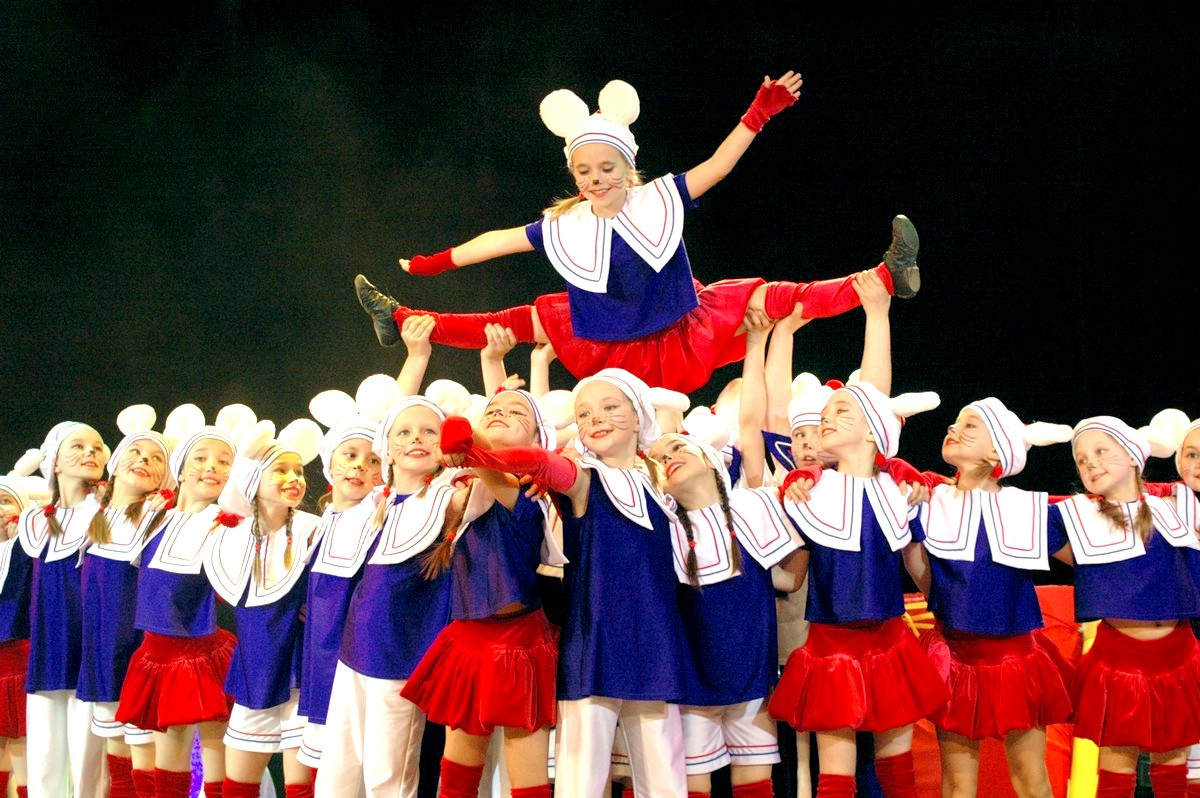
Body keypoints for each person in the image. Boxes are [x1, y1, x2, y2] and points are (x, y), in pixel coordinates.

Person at [355, 73, 921, 393]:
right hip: (607, 342)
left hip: (681, 327)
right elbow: (496, 241)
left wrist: (759, 113)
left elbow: (718, 166)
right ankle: (400, 319)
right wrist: (434, 263)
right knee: (509, 323)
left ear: (628, 168)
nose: (595, 180)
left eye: (606, 169)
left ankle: (884, 276)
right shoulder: (567, 225)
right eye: (584, 172)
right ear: (574, 175)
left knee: (772, 297)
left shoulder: (659, 200)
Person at [439, 368, 692, 797]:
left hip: (653, 641)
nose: (597, 418)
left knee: (664, 773)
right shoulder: (583, 477)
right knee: (580, 778)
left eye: (610, 407)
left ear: (639, 416)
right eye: (585, 413)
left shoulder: (661, 490)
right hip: (592, 643)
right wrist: (478, 452)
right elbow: (544, 463)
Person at [769, 383, 948, 798]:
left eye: (841, 411)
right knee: (835, 779)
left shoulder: (900, 492)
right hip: (831, 648)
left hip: (891, 645)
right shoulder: (809, 492)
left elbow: (917, 563)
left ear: (873, 431)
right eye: (824, 414)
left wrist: (948, 612)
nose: (826, 419)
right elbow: (792, 572)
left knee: (898, 772)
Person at [404, 388, 560, 798]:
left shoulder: (526, 492)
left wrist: (467, 438)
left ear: (537, 438)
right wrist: (461, 449)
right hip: (469, 639)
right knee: (456, 773)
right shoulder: (461, 492)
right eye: (493, 409)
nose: (501, 413)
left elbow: (486, 457)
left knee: (528, 780)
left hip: (520, 642)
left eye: (517, 412)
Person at [915, 399, 1074, 798]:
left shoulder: (1024, 508)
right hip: (955, 659)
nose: (953, 428)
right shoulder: (929, 501)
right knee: (958, 785)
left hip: (1015, 662)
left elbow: (1083, 558)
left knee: (1031, 779)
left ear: (995, 453)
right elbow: (924, 575)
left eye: (969, 425)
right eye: (955, 423)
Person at [317, 397, 471, 798]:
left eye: (428, 431)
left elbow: (486, 482)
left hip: (401, 657)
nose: (416, 438)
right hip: (354, 652)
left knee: (387, 775)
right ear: (386, 446)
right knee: (337, 768)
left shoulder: (450, 496)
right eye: (404, 431)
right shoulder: (374, 502)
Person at [1047, 417, 1200, 798]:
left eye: (1101, 451)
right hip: (1119, 664)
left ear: (1134, 457)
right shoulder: (1077, 515)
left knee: (1173, 771)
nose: (1091, 464)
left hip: (1178, 658)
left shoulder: (1178, 505)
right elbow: (999, 507)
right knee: (1116, 773)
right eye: (1082, 460)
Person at [648, 429, 805, 798]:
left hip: (752, 682)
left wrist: (802, 528)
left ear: (710, 459)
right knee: (694, 787)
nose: (668, 459)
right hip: (691, 688)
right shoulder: (661, 530)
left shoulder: (754, 505)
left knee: (756, 786)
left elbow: (788, 578)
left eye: (677, 447)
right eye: (658, 458)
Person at [115, 425, 241, 798]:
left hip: (202, 654)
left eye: (224, 462)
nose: (212, 467)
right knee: (163, 765)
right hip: (155, 654)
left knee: (218, 760)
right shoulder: (153, 517)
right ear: (181, 470)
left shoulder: (227, 525)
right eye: (201, 458)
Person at [207, 424, 322, 798]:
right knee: (237, 786)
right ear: (252, 479)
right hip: (255, 667)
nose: (294, 478)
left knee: (300, 786)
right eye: (281, 470)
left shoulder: (314, 530)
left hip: (301, 671)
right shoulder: (229, 535)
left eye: (299, 471)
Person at [77, 413, 175, 798]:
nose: (144, 460)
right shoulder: (90, 517)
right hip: (102, 654)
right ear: (114, 464)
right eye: (135, 451)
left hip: (140, 655)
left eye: (156, 458)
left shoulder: (160, 519)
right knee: (117, 764)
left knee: (144, 758)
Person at [16, 421, 109, 798]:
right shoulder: (34, 520)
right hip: (47, 655)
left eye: (98, 447)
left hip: (91, 657)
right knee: (43, 764)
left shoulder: (109, 513)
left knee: (91, 770)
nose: (90, 452)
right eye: (78, 446)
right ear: (54, 461)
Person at [0, 463, 39, 798]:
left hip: (17, 658)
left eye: (5, 501)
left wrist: (22, 535)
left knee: (21, 741)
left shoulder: (26, 550)